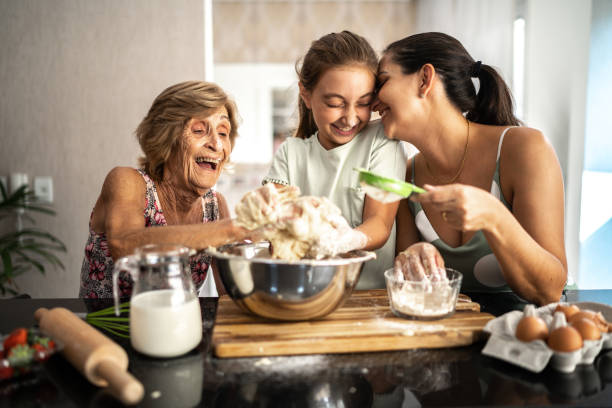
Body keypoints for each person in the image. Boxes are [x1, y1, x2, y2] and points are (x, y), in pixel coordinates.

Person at [374, 32, 567, 305]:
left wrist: (493, 215)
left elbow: (549, 291)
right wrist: (408, 260)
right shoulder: (406, 176)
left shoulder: (525, 149)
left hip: (527, 336)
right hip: (456, 335)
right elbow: (414, 291)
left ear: (424, 80)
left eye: (382, 81)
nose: (372, 102)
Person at [79, 81, 256, 299]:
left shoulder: (215, 206)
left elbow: (232, 294)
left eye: (223, 133)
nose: (217, 145)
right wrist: (233, 229)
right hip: (105, 329)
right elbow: (123, 245)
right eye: (199, 130)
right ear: (166, 137)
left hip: (177, 328)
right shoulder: (127, 181)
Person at [263, 31, 407, 289]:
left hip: (369, 300)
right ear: (306, 95)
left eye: (363, 103)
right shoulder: (290, 153)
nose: (350, 118)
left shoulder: (382, 141)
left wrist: (346, 239)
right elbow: (277, 229)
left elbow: (380, 224)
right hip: (306, 292)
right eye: (335, 103)